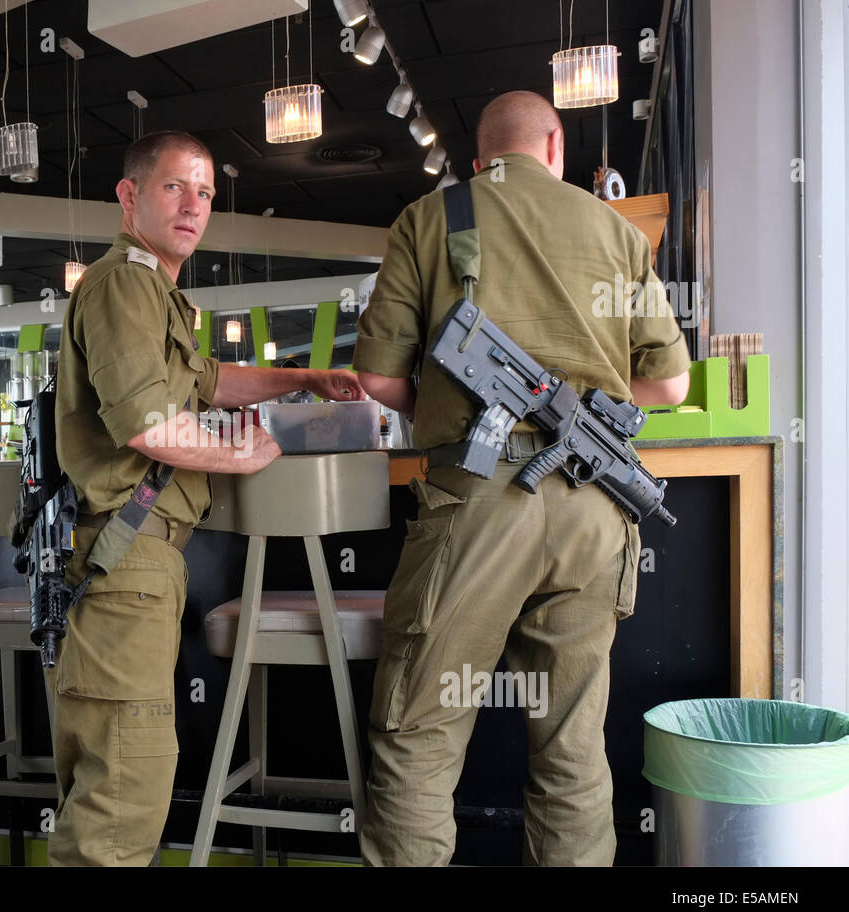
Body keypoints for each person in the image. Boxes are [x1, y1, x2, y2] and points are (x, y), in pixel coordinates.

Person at [352, 91, 691, 866]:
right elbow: (669, 386)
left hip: (475, 502)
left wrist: (449, 404)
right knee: (572, 745)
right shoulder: (617, 230)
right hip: (596, 512)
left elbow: (374, 377)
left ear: (478, 163)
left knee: (419, 733)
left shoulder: (433, 217)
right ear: (554, 148)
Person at [51, 130, 366, 866]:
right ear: (130, 195)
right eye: (174, 188)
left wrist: (300, 380)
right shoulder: (125, 281)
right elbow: (143, 420)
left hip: (130, 561)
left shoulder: (155, 290)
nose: (195, 206)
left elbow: (209, 380)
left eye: (207, 194)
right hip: (123, 558)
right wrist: (238, 451)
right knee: (122, 799)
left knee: (116, 786)